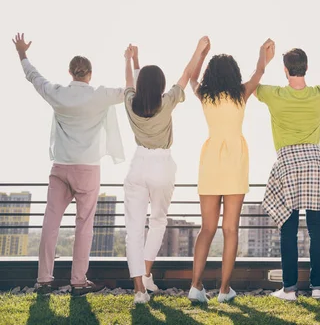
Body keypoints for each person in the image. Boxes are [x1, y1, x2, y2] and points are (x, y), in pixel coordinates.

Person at [13, 33, 125, 296]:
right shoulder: (100, 95)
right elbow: (127, 92)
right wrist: (132, 62)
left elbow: (34, 77)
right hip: (88, 170)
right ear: (90, 74)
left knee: (50, 224)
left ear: (70, 73)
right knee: (84, 225)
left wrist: (22, 53)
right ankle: (78, 281)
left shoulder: (58, 94)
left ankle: (43, 280)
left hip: (60, 168)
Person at [188, 38, 275, 304]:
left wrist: (201, 53)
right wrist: (263, 55)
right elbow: (258, 74)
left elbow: (191, 76)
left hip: (211, 162)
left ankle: (195, 286)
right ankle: (224, 290)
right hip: (235, 163)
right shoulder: (240, 94)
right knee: (230, 230)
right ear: (233, 74)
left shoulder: (204, 94)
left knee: (207, 229)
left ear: (211, 74)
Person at [122, 38, 209, 304]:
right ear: (160, 86)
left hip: (137, 165)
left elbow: (129, 84)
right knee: (158, 221)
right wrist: (198, 50)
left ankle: (139, 289)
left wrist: (130, 60)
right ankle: (147, 272)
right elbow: (185, 75)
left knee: (133, 230)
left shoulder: (130, 103)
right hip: (162, 165)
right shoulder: (167, 102)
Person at [256, 43, 320, 301]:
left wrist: (263, 59)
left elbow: (250, 86)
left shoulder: (274, 95)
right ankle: (317, 287)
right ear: (306, 68)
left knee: (288, 228)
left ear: (285, 70)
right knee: (316, 229)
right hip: (314, 163)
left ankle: (289, 288)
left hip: (287, 163)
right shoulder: (319, 94)